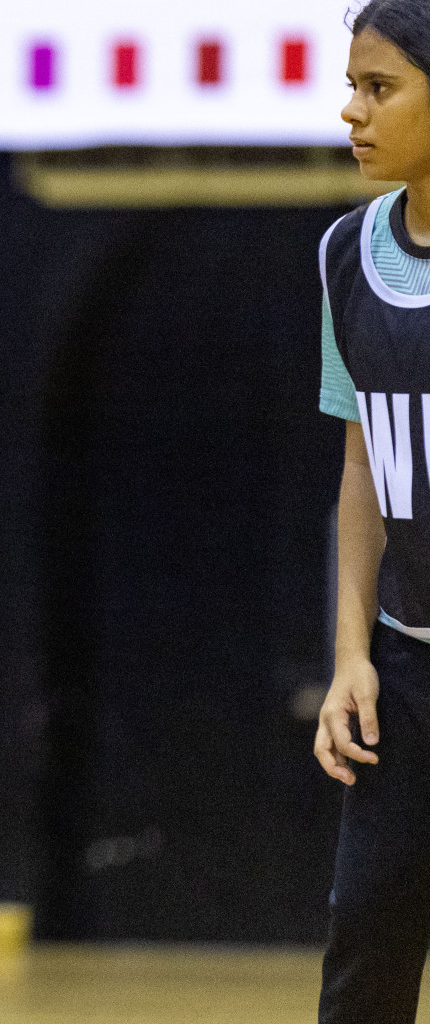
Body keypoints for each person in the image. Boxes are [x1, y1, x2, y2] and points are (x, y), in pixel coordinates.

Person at [316, 2, 430, 1020]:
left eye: (379, 87)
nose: (352, 111)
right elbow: (364, 472)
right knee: (367, 956)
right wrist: (353, 657)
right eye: (353, 85)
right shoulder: (347, 254)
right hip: (406, 666)